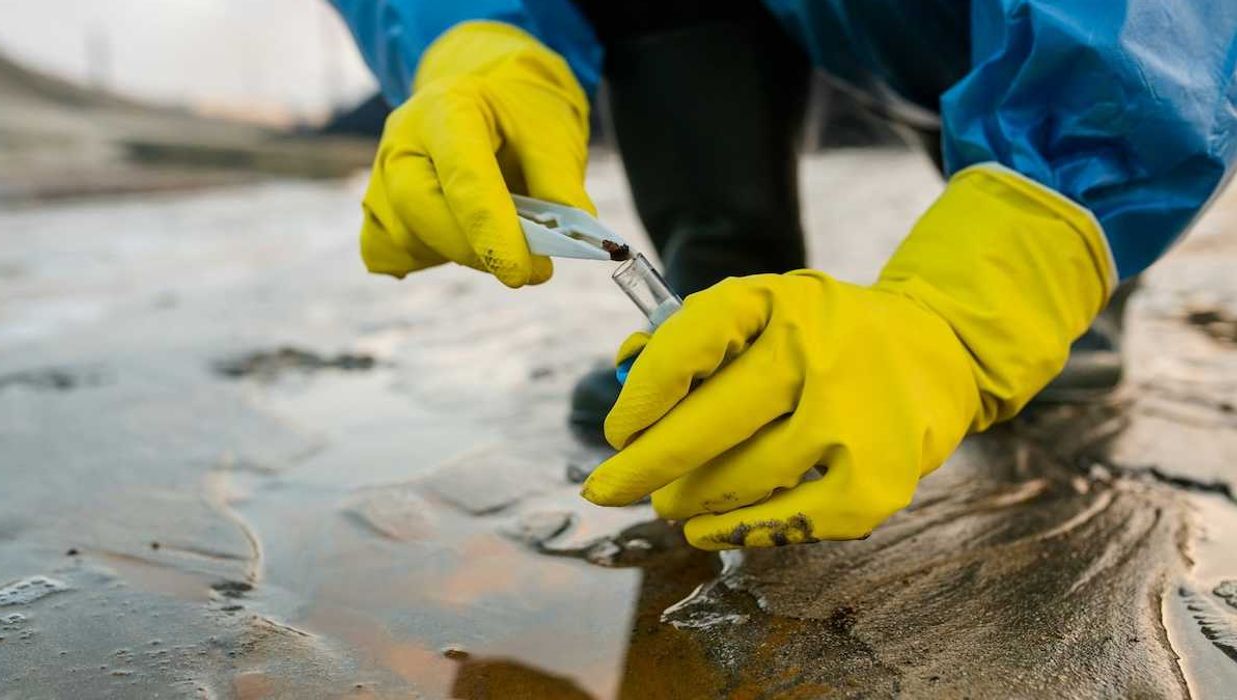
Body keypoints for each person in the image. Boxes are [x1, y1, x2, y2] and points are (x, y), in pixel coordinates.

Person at [332, 1, 1237, 550]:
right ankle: (720, 285)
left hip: (987, 35)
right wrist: (472, 36)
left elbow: (1163, 22)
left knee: (1040, 264)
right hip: (774, 19)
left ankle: (1067, 283)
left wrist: (967, 306)